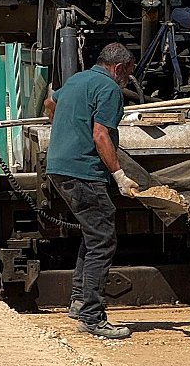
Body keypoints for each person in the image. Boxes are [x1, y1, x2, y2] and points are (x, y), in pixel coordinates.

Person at [45, 42, 140, 340]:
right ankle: (93, 316)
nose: (127, 79)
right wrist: (120, 176)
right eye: (128, 73)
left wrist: (64, 129)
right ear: (119, 67)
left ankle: (78, 300)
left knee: (92, 233)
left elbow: (50, 103)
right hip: (83, 171)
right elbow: (101, 134)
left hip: (59, 166)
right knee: (102, 240)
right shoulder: (110, 89)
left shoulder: (77, 80)